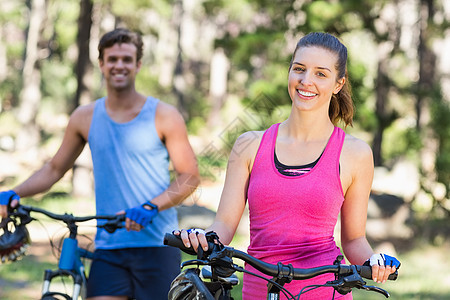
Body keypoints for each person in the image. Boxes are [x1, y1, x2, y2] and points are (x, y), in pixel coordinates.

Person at [176, 32, 400, 299]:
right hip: (259, 290)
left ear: (338, 84)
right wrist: (203, 238)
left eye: (321, 74)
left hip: (323, 291)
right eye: (299, 69)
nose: (306, 81)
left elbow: (353, 240)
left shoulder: (355, 153)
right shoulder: (249, 145)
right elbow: (222, 225)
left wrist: (374, 261)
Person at [0, 28, 200, 299]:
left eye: (127, 59)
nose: (120, 65)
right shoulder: (84, 117)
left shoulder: (164, 115)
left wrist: (151, 206)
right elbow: (54, 169)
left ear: (138, 64)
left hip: (158, 244)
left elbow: (189, 176)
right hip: (109, 247)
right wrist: (15, 192)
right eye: (113, 58)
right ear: (102, 64)